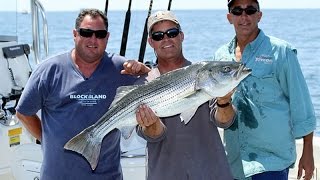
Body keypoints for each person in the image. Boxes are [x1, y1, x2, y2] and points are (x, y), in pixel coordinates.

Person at [15, 8, 148, 180]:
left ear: (107, 37)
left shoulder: (122, 69)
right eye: (86, 32)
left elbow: (157, 88)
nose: (93, 39)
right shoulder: (49, 70)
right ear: (75, 34)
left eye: (100, 34)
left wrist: (145, 70)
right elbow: (23, 112)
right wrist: (48, 139)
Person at [212, 0, 317, 179]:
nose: (244, 16)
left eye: (250, 10)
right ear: (229, 18)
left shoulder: (282, 51)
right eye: (237, 11)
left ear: (259, 15)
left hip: (271, 162)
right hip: (234, 163)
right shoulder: (220, 56)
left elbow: (301, 103)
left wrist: (308, 151)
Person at [134, 10, 233, 180]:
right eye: (158, 36)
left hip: (211, 172)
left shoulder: (204, 73)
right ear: (151, 42)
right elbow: (153, 135)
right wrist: (152, 125)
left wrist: (224, 102)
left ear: (181, 36)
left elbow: (225, 121)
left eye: (172, 33)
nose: (166, 39)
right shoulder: (142, 84)